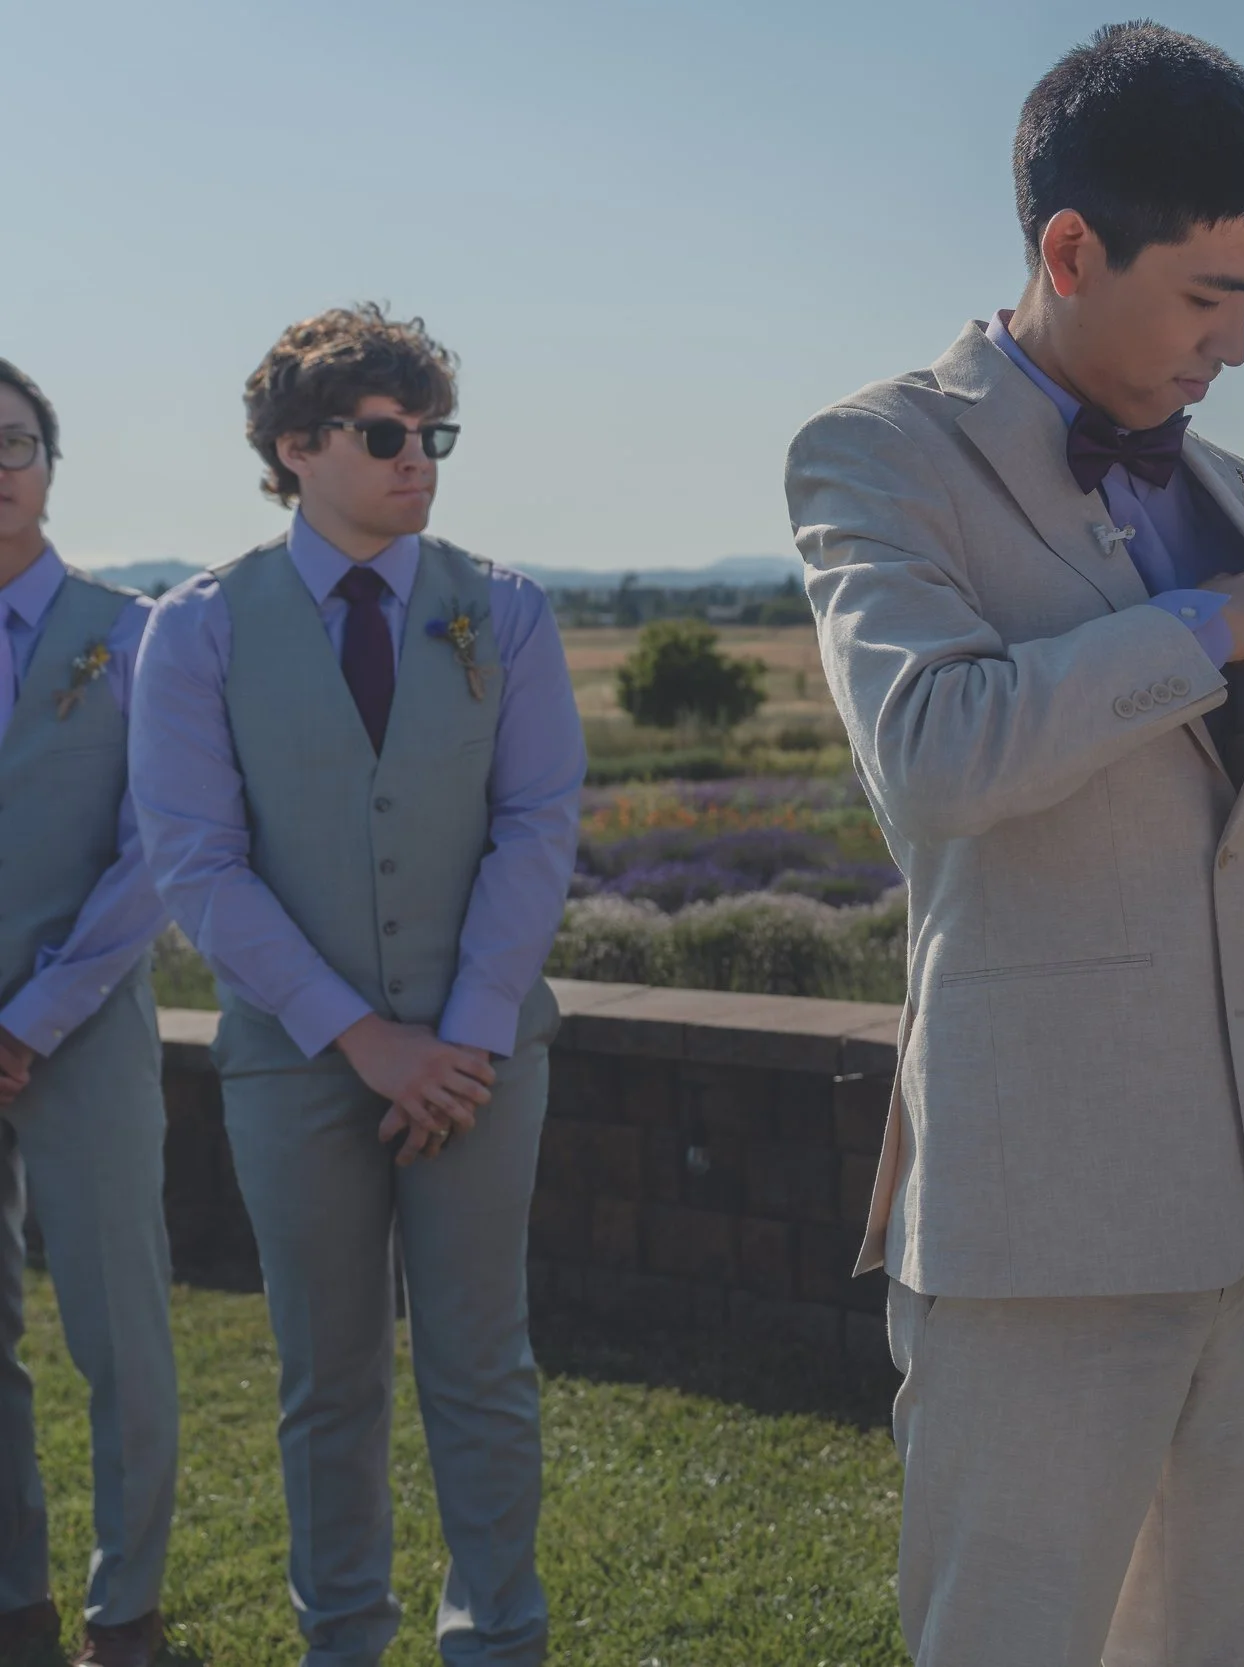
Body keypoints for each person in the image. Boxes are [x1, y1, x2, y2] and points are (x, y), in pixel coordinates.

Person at [785, 24, 1244, 1666]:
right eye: (1204, 297)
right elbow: (933, 757)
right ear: (1067, 250)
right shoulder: (879, 454)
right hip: (1039, 1229)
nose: (1234, 348)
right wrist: (1196, 630)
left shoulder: (1242, 491)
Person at [130, 306, 584, 1667]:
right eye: (387, 435)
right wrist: (363, 1037)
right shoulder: (195, 629)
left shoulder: (502, 605)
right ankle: (343, 1640)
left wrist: (462, 1033)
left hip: (485, 1054)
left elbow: (539, 822)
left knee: (481, 1368)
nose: (420, 460)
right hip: (295, 1061)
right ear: (295, 446)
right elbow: (197, 865)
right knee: (325, 1376)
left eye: (432, 433)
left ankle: (499, 1640)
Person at [0, 360, 177, 1667]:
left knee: (119, 1329)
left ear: (51, 463)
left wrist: (31, 1017)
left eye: (12, 442)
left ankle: (126, 1614)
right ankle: (16, 1603)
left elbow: (159, 847)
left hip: (89, 1021)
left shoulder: (136, 633)